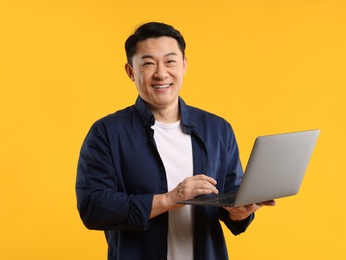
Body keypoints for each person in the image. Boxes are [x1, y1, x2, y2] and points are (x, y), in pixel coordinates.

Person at [76, 22, 275, 260]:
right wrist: (169, 199)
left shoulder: (218, 129)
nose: (161, 73)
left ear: (184, 64)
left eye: (170, 61)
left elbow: (231, 197)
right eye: (148, 63)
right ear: (130, 71)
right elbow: (94, 207)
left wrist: (240, 212)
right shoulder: (106, 132)